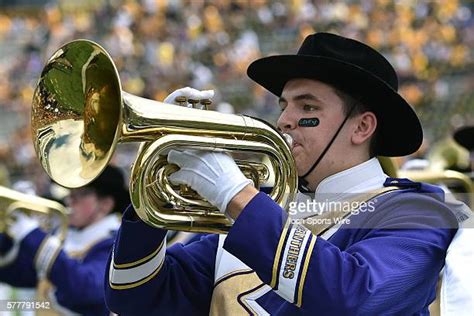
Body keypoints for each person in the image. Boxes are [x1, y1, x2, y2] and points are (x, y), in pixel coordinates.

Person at [105, 32, 459, 315]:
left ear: (362, 127)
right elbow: (132, 296)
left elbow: (354, 299)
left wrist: (234, 192)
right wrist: (157, 191)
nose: (285, 120)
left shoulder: (420, 212)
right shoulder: (258, 215)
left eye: (308, 106)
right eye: (284, 105)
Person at [0, 165, 129, 315]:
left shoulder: (117, 245)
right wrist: (7, 238)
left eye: (81, 193)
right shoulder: (66, 234)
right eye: (71, 193)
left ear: (105, 204)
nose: (70, 199)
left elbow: (85, 289)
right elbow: (25, 275)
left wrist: (31, 234)